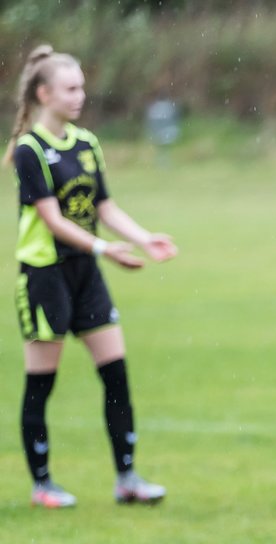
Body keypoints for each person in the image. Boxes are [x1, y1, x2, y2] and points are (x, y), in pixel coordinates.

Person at [5, 46, 177, 508]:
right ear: (45, 93)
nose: (81, 96)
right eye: (71, 88)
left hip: (85, 273)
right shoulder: (30, 150)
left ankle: (127, 479)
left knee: (115, 374)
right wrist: (105, 248)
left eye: (82, 87)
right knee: (42, 381)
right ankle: (42, 484)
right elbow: (52, 219)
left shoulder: (86, 143)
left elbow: (103, 207)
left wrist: (143, 239)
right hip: (45, 276)